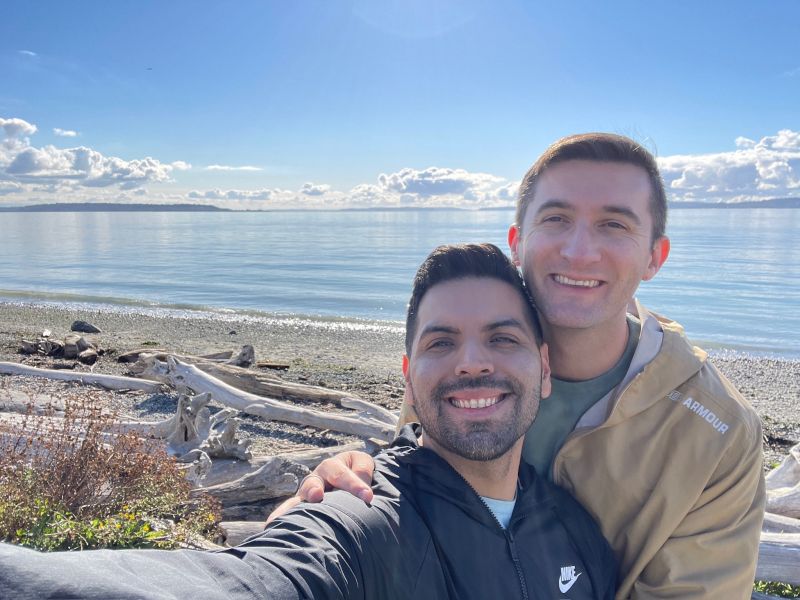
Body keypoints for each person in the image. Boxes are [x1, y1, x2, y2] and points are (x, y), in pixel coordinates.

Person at [276, 134, 767, 599]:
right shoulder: (461, 363)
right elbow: (412, 479)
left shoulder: (716, 431)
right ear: (517, 241)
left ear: (654, 257)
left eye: (614, 224)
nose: (579, 250)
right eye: (556, 218)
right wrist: (343, 488)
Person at [0, 243, 616, 600]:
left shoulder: (582, 536)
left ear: (543, 367)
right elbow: (257, 583)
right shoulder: (366, 518)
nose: (472, 363)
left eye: (502, 339)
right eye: (441, 343)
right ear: (408, 373)